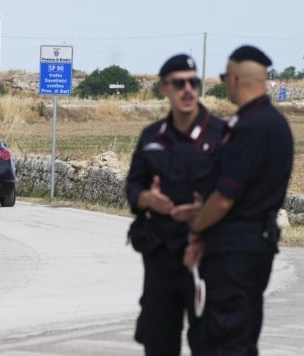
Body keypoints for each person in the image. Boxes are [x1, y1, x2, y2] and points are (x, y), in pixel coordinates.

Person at [183, 45, 294, 355]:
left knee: (225, 340)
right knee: (239, 337)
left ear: (234, 78)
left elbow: (224, 198)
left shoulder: (251, 127)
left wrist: (196, 231)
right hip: (252, 244)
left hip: (235, 250)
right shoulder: (273, 123)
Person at [126, 53, 225, 355]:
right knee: (158, 343)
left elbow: (236, 192)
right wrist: (146, 199)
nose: (187, 90)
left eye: (193, 82)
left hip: (207, 257)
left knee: (210, 343)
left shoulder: (221, 135)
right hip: (161, 257)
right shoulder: (151, 137)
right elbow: (133, 185)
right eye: (179, 83)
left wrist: (204, 210)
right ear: (164, 89)